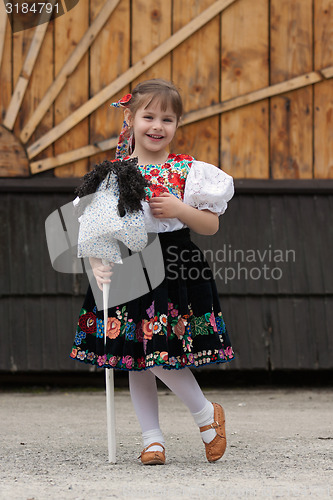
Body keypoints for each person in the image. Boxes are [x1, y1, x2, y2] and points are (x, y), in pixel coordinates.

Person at [70, 79, 235, 465]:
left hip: (173, 265)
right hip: (127, 264)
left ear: (177, 124)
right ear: (130, 118)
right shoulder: (114, 175)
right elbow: (95, 228)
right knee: (134, 355)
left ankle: (204, 414)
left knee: (159, 353)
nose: (157, 126)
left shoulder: (189, 171)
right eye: (148, 116)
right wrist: (97, 260)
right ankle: (152, 439)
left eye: (167, 118)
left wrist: (180, 210)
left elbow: (210, 226)